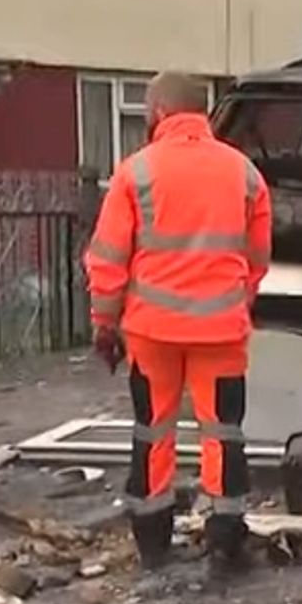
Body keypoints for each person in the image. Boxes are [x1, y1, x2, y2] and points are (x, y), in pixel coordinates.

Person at [85, 73, 271, 575]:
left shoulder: (135, 172)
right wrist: (234, 299)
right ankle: (226, 545)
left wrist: (105, 323)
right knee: (223, 435)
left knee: (152, 433)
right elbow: (257, 258)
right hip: (221, 332)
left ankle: (153, 544)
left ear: (159, 112)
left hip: (152, 331)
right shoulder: (245, 174)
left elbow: (107, 258)